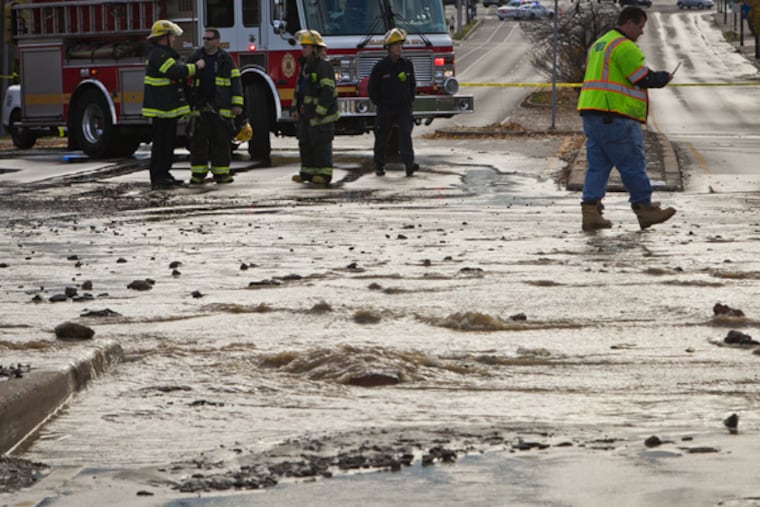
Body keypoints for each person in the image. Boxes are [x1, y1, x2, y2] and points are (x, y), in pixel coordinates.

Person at [577, 6, 676, 231]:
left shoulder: (601, 43)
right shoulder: (624, 46)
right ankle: (644, 209)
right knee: (632, 163)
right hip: (615, 115)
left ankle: (591, 212)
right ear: (630, 23)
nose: (641, 32)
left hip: (592, 112)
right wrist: (662, 78)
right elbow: (640, 77)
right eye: (641, 26)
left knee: (598, 166)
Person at [142, 20, 204, 190]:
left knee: (168, 143)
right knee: (161, 144)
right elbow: (175, 72)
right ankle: (158, 176)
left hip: (166, 107)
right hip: (160, 108)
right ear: (164, 38)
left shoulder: (164, 53)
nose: (175, 40)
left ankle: (164, 173)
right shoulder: (158, 54)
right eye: (172, 36)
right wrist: (195, 67)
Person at [186, 28, 244, 185]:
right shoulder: (196, 57)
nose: (206, 41)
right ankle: (198, 175)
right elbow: (185, 79)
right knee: (198, 143)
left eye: (209, 39)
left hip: (220, 109)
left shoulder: (226, 59)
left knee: (221, 143)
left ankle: (221, 174)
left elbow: (235, 82)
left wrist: (237, 104)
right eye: (204, 39)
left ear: (217, 41)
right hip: (200, 108)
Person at [291, 30, 339, 187]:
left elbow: (328, 91)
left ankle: (324, 174)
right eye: (302, 46)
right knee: (305, 143)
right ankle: (307, 172)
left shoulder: (323, 67)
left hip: (321, 116)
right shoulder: (305, 67)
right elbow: (298, 91)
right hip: (306, 115)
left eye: (306, 46)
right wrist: (295, 110)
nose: (303, 49)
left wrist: (319, 112)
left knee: (321, 144)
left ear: (315, 48)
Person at [368, 28, 418, 177]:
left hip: (403, 107)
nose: (399, 48)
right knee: (382, 136)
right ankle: (379, 165)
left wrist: (410, 100)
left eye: (400, 44)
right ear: (388, 48)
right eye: (395, 45)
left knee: (405, 135)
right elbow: (372, 88)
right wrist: (379, 104)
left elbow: (412, 85)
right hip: (386, 107)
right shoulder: (380, 67)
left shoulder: (407, 65)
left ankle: (409, 164)